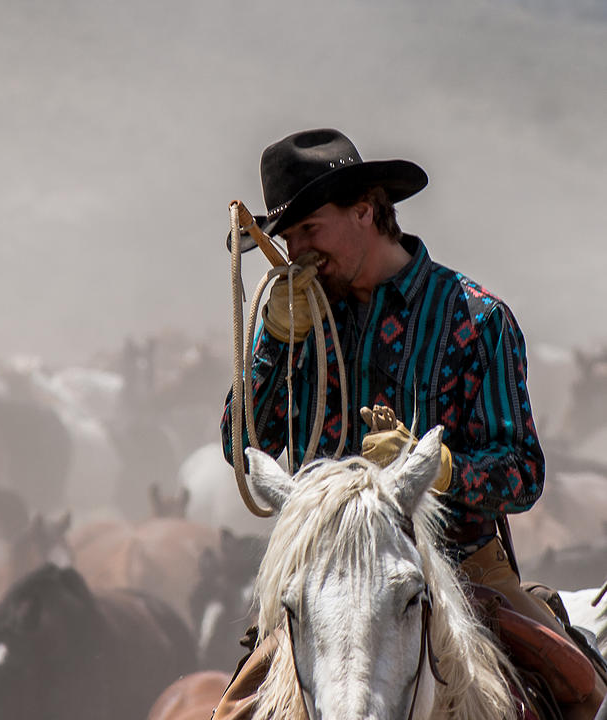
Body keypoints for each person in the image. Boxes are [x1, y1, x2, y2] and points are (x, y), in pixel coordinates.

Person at [217, 128, 604, 719]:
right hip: (324, 580)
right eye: (289, 238)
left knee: (581, 689)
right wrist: (272, 343)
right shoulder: (300, 319)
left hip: (465, 567)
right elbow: (241, 447)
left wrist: (442, 469)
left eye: (308, 230)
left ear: (365, 211)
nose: (297, 253)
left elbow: (522, 473)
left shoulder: (476, 319)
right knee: (228, 710)